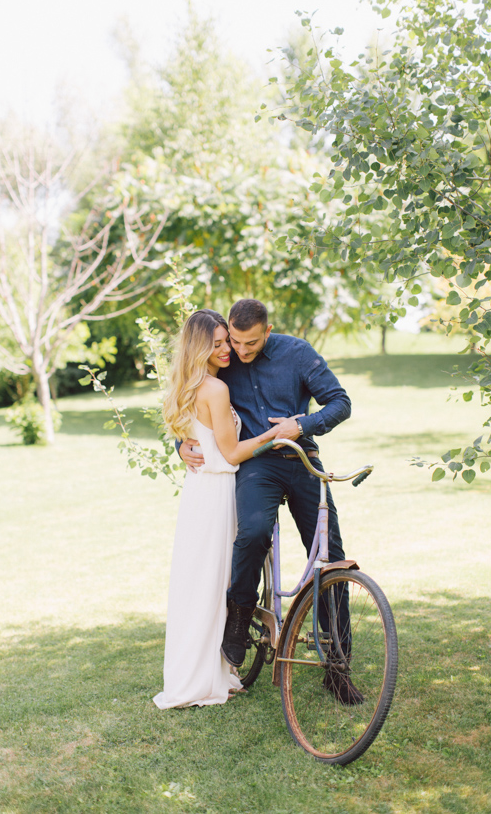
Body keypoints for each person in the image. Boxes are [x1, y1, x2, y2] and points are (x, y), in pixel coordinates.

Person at [179, 299, 363, 705]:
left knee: (331, 555)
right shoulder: (223, 355)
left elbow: (341, 403)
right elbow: (191, 396)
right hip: (256, 467)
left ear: (268, 330)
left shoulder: (297, 352)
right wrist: (182, 443)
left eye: (250, 344)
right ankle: (239, 620)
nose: (239, 353)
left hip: (301, 459)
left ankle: (337, 665)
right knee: (255, 531)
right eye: (235, 343)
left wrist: (302, 424)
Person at [153, 309, 280, 709]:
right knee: (212, 584)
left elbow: (199, 441)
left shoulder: (188, 385)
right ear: (200, 347)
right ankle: (206, 677)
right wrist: (275, 434)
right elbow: (231, 451)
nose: (227, 350)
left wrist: (183, 448)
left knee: (199, 585)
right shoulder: (215, 389)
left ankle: (207, 671)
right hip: (218, 494)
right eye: (219, 344)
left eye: (228, 341)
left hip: (198, 493)